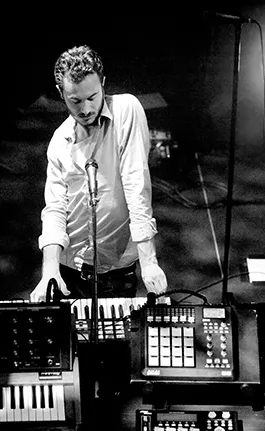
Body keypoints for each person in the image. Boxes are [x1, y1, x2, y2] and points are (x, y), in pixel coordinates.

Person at [30, 45, 168, 303]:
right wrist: (49, 270)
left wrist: (149, 262)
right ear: (61, 93)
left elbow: (136, 182)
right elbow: (55, 209)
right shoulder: (60, 141)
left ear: (103, 84)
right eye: (75, 101)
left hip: (117, 269)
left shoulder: (126, 110)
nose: (85, 109)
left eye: (92, 97)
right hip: (71, 269)